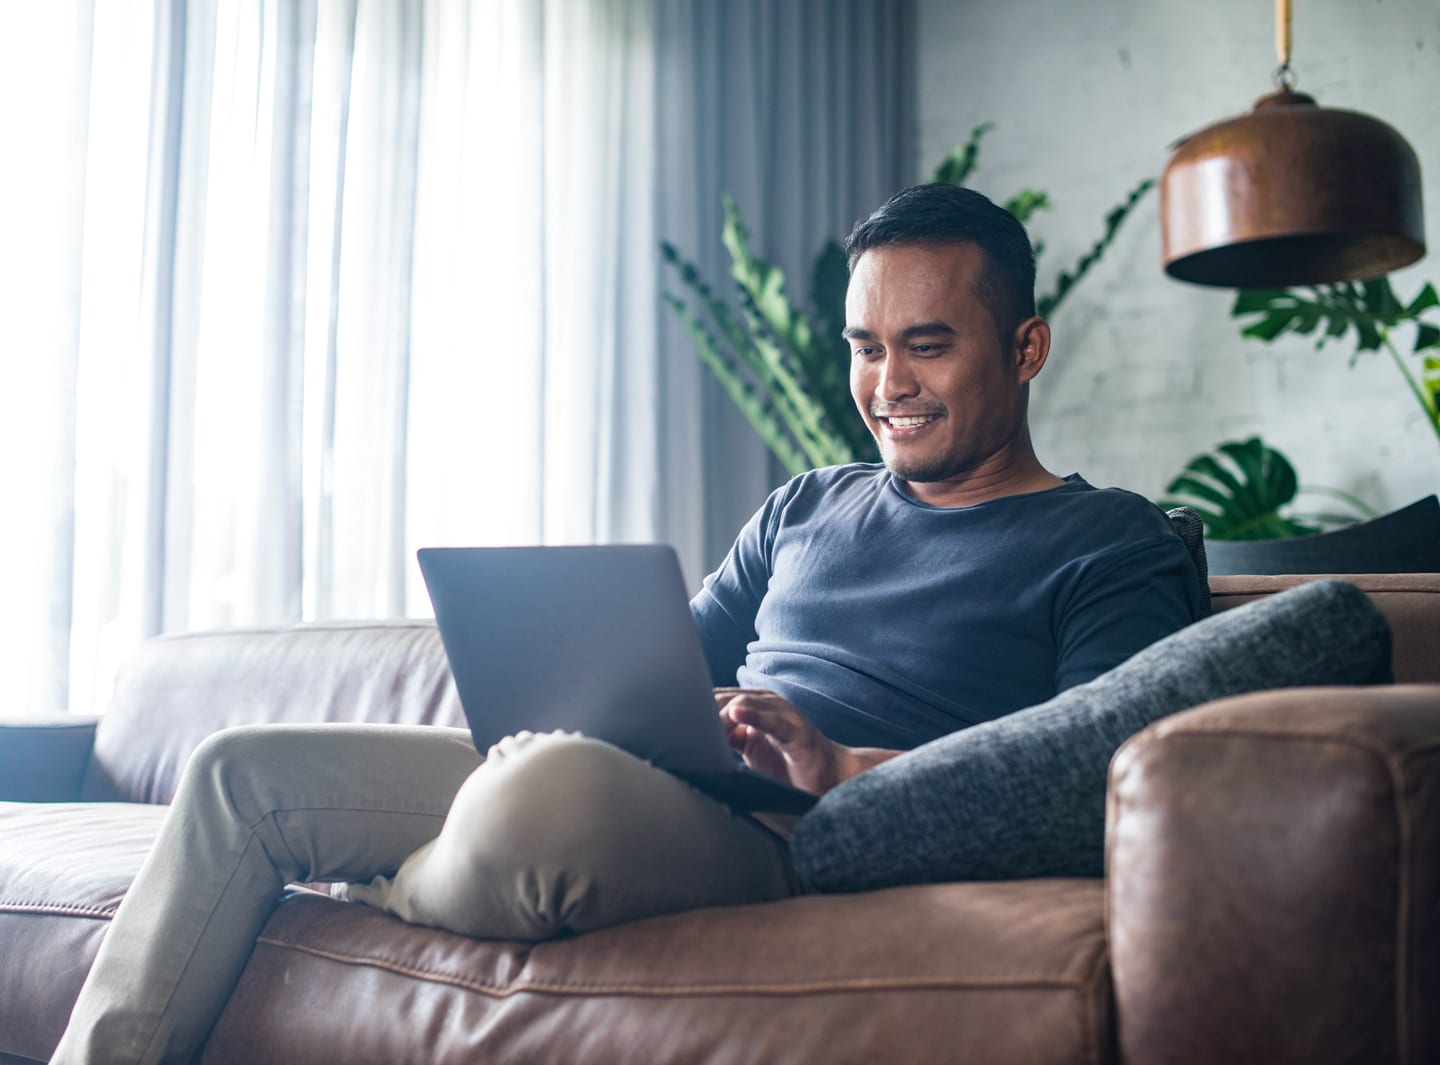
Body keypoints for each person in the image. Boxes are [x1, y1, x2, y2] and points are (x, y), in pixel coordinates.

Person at [52, 184, 1201, 1064]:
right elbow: (662, 670)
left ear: (1027, 347)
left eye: (928, 343)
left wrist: (843, 766)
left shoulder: (1111, 543)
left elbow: (1090, 784)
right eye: (864, 345)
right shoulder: (807, 503)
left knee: (539, 795)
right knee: (240, 774)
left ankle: (382, 879)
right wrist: (593, 695)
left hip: (804, 833)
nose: (887, 382)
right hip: (650, 784)